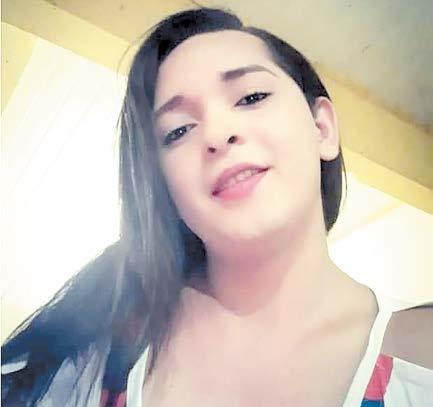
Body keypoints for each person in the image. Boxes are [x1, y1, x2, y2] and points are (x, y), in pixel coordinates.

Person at [1, 6, 432, 407]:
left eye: (251, 97)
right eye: (178, 131)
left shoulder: (421, 357)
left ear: (322, 128)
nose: (217, 134)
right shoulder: (88, 363)